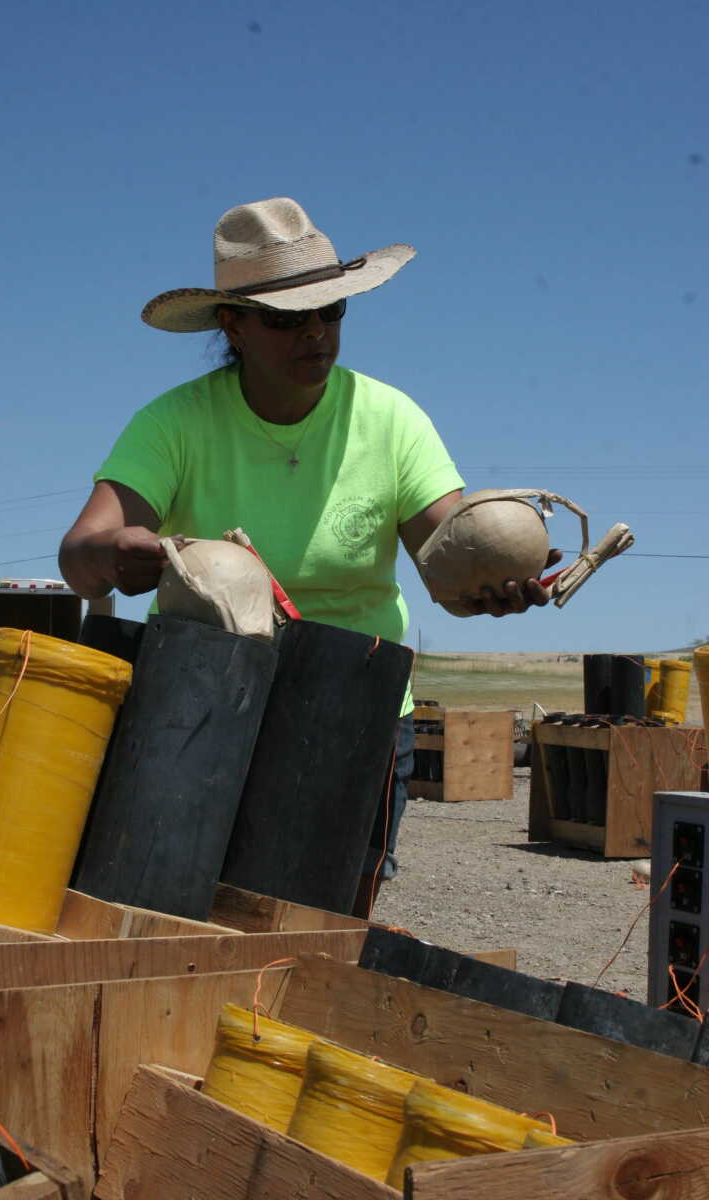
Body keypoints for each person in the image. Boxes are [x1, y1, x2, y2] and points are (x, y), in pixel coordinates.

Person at [59, 197, 556, 907]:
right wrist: (115, 553)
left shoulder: (390, 419)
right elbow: (80, 554)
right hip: (207, 707)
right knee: (183, 906)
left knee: (331, 920)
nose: (316, 332)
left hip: (361, 706)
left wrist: (489, 582)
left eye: (331, 311)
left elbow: (447, 564)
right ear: (233, 325)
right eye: (287, 319)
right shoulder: (175, 423)